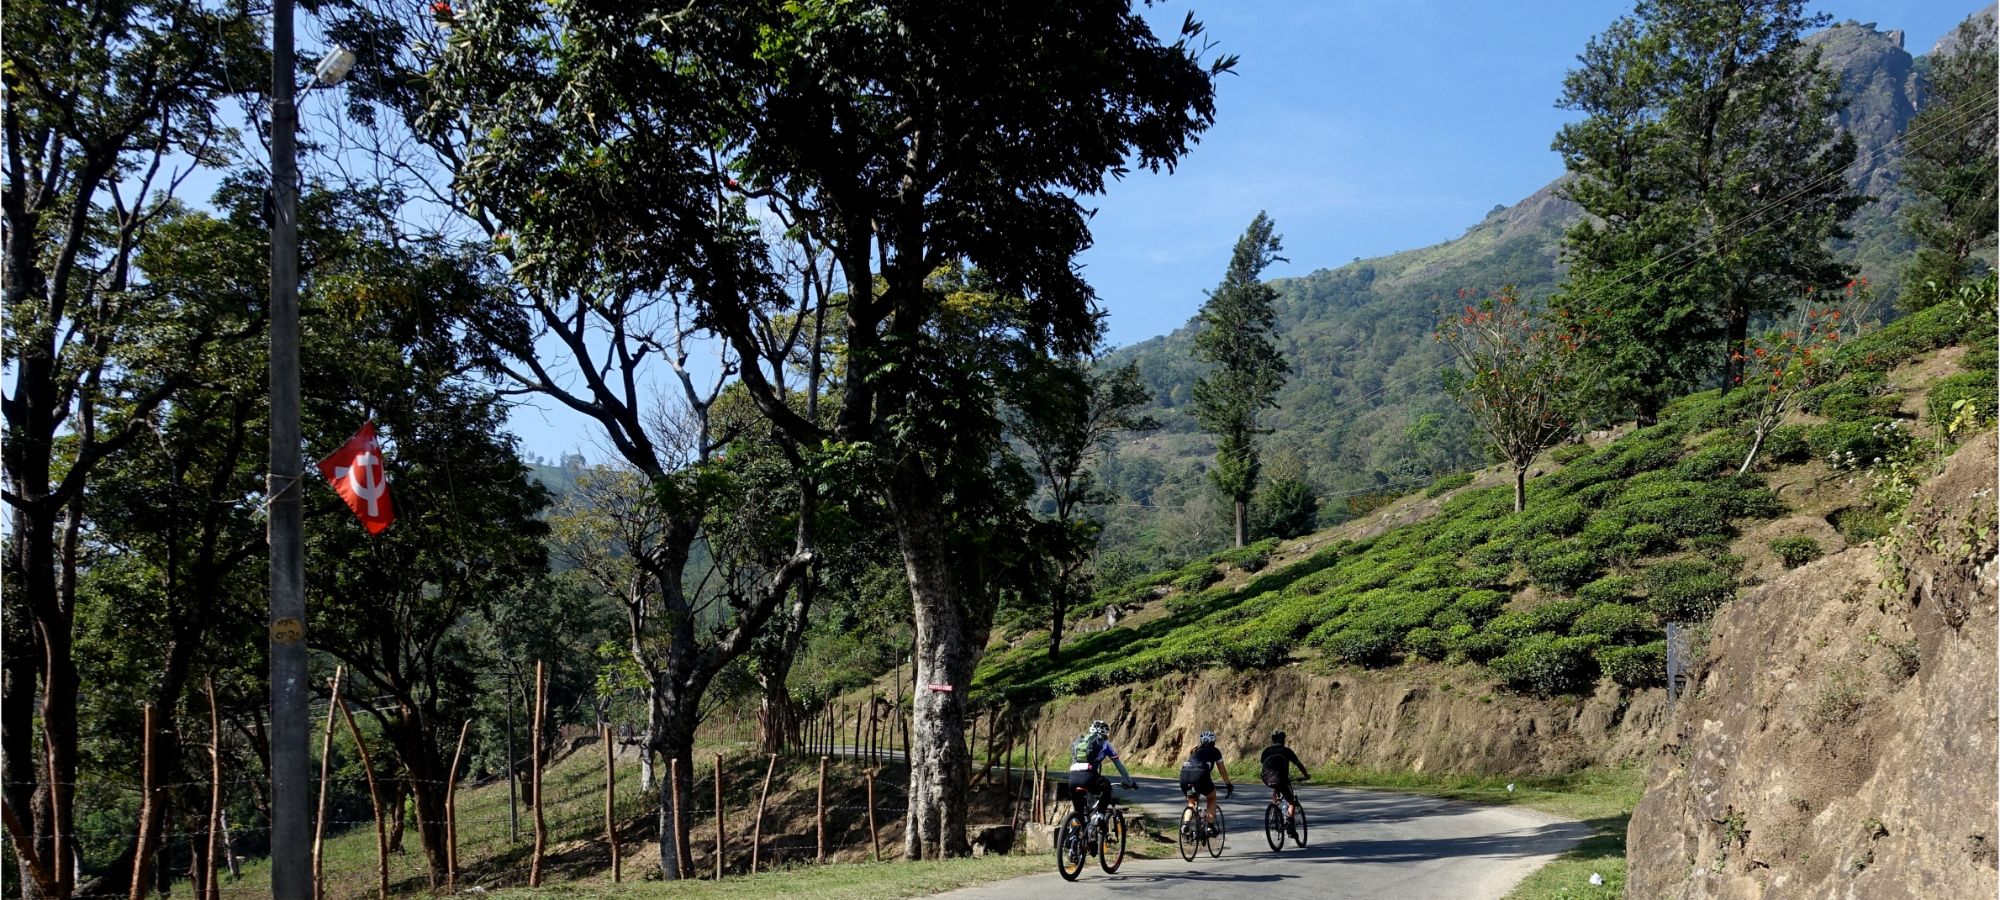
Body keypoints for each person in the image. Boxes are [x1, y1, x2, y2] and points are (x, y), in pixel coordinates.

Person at [1067, 719, 1136, 820]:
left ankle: (1073, 832)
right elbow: (1119, 765)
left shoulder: (1079, 742)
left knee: (1078, 813)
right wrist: (1129, 782)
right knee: (1106, 786)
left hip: (1072, 779)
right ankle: (1100, 814)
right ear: (1105, 732)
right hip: (1089, 778)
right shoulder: (1105, 744)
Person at [1178, 730, 1233, 836]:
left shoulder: (1195, 750)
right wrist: (1228, 784)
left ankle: (1185, 825)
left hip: (1184, 775)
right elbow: (1222, 770)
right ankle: (1210, 827)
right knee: (1211, 797)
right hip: (1200, 775)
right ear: (1213, 741)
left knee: (1191, 801)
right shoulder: (1215, 751)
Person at [1259, 729, 1310, 830]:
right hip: (1281, 779)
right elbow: (1299, 765)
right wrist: (1306, 775)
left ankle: (1274, 811)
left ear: (1273, 740)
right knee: (1291, 801)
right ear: (1283, 740)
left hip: (1266, 778)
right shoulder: (1286, 751)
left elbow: (1265, 764)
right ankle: (1290, 822)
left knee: (1275, 786)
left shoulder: (1266, 751)